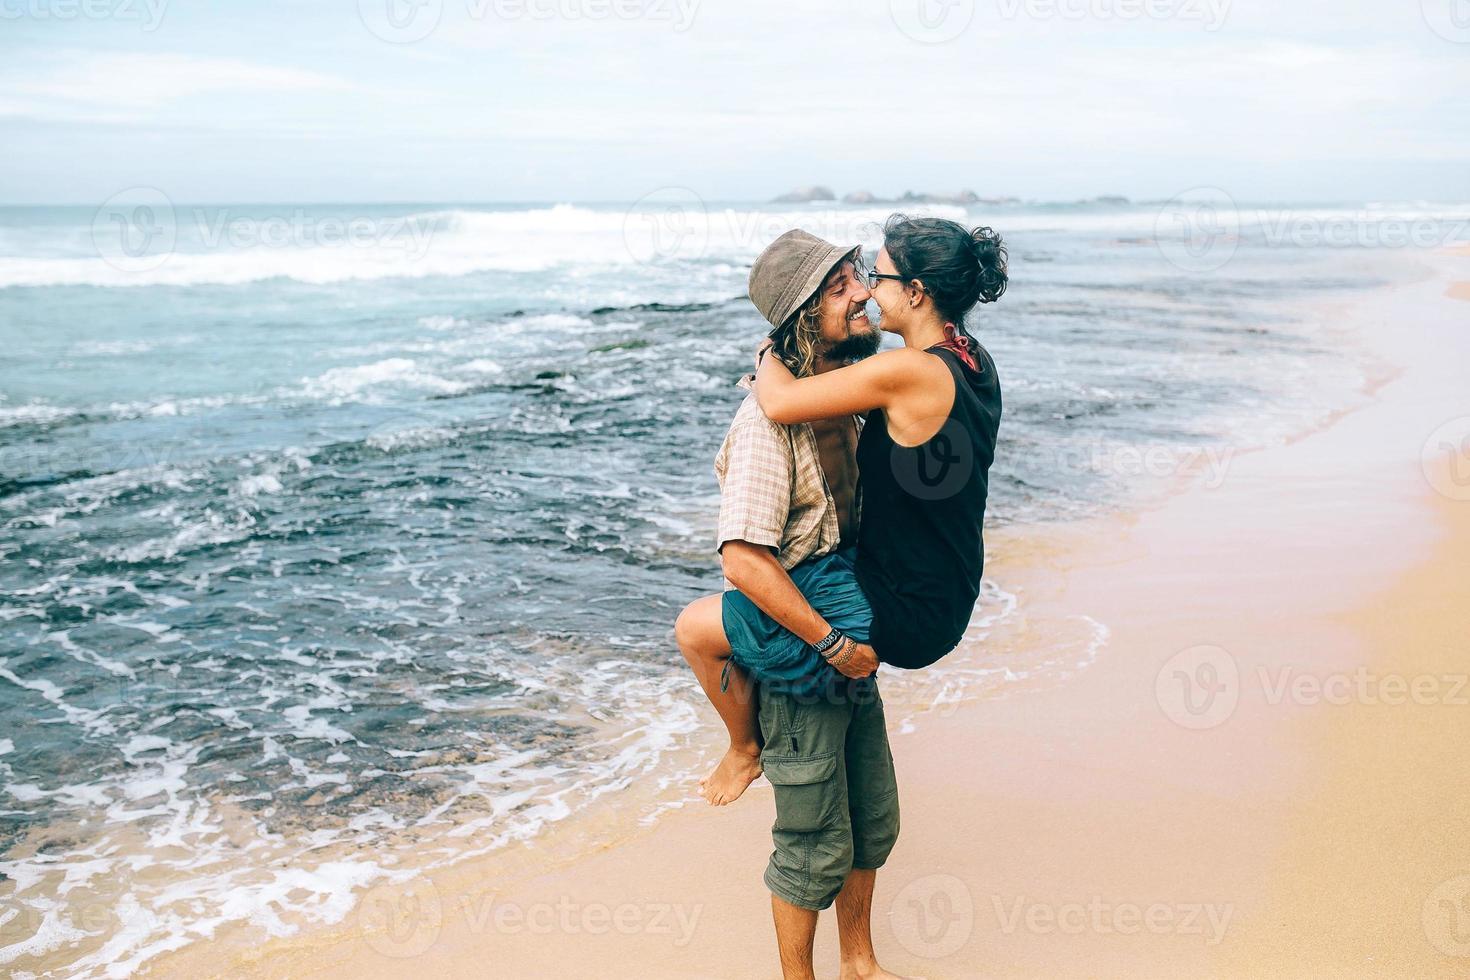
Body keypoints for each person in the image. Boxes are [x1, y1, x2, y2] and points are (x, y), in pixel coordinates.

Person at [675, 215, 1006, 980]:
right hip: (863, 613)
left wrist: (770, 357)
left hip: (884, 601)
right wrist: (826, 639)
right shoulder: (959, 360)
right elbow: (746, 551)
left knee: (868, 821)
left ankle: (858, 961)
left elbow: (794, 396)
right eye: (844, 284)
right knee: (816, 838)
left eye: (871, 276)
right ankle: (744, 747)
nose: (864, 293)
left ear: (916, 294)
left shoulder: (886, 382)